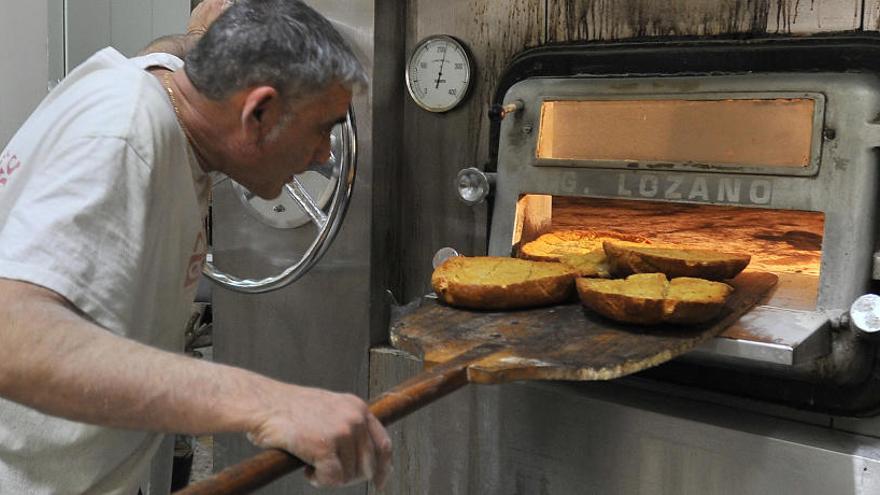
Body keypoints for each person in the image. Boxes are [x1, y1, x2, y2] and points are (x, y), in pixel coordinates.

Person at [0, 1, 391, 493]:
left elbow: (165, 54)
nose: (326, 155)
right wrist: (269, 402)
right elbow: (9, 337)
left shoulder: (152, 88)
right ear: (260, 111)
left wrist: (205, 33)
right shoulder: (123, 138)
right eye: (322, 129)